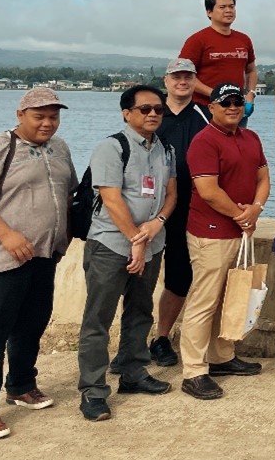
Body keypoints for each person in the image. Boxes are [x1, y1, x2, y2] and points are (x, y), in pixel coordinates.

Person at [0, 88, 78, 441]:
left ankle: (21, 385)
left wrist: (64, 235)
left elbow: (67, 193)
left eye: (53, 116)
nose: (47, 122)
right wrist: (7, 234)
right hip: (4, 259)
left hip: (45, 255)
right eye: (39, 116)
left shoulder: (60, 148)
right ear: (21, 114)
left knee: (32, 324)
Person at [77, 85, 177, 421]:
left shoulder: (166, 149)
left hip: (151, 245)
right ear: (126, 113)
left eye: (158, 110)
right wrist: (136, 238)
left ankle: (133, 371)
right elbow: (111, 198)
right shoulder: (112, 147)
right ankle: (92, 390)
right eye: (145, 109)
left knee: (140, 312)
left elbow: (171, 195)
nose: (152, 114)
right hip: (110, 245)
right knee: (98, 320)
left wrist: (157, 224)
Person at [179, 83, 271, 400]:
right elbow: (208, 190)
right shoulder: (204, 142)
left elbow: (263, 178)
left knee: (231, 296)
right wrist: (241, 215)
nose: (233, 106)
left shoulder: (251, 138)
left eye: (238, 102)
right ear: (212, 107)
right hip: (211, 232)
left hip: (239, 229)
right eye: (226, 102)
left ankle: (221, 356)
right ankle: (193, 371)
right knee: (204, 302)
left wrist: (256, 209)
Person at [146, 58, 210, 367]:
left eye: (187, 76)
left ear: (195, 80)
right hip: (150, 209)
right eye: (176, 76)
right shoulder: (152, 113)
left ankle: (162, 337)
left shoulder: (205, 115)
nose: (182, 81)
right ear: (167, 80)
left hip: (191, 208)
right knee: (140, 277)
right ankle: (133, 344)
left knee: (180, 276)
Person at [180, 0, 258, 113]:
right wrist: (216, 94)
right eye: (222, 7)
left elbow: (251, 70)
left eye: (231, 7)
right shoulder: (197, 40)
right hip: (204, 108)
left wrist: (250, 94)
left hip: (236, 108)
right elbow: (185, 76)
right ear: (209, 12)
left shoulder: (244, 39)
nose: (228, 10)